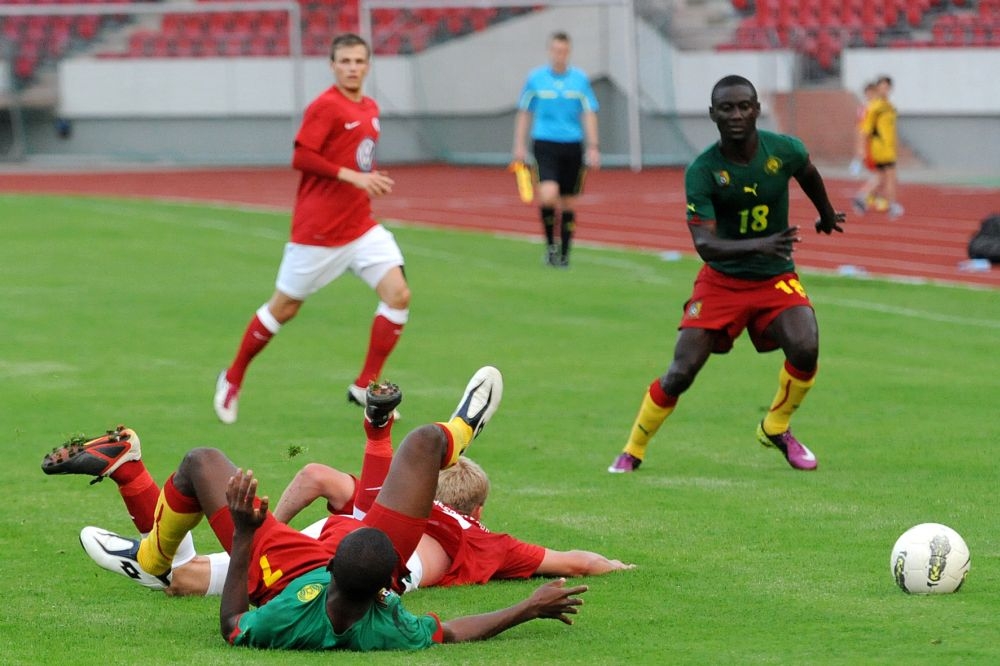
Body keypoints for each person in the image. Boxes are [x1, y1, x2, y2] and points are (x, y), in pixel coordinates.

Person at [44, 368, 591, 651]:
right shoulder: (391, 626)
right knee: (425, 442)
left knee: (199, 472)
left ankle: (139, 510)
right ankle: (451, 428)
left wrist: (250, 532)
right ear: (388, 591)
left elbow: (232, 625)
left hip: (283, 566)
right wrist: (527, 608)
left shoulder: (288, 618)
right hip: (364, 553)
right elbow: (456, 630)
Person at [607, 75, 846, 474]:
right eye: (727, 108)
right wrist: (760, 245)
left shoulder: (784, 150)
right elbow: (706, 244)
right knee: (681, 372)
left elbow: (806, 171)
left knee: (806, 346)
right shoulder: (703, 171)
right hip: (721, 281)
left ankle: (776, 426)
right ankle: (633, 449)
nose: (736, 114)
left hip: (774, 277)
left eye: (744, 106)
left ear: (756, 110)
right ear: (712, 114)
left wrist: (825, 213)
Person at [213, 32, 408, 425]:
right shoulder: (326, 106)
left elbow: (357, 157)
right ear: (332, 66)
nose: (352, 68)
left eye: (359, 61)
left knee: (398, 295)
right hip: (318, 233)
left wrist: (366, 181)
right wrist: (354, 177)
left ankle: (365, 385)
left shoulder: (370, 106)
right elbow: (301, 156)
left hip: (360, 226)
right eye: (345, 61)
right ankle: (233, 377)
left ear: (368, 66)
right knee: (284, 309)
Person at [512, 31, 600, 268]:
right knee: (548, 195)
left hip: (572, 145)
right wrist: (519, 145)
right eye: (556, 50)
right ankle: (551, 246)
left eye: (564, 51)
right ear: (550, 51)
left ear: (568, 52)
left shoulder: (580, 80)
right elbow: (524, 111)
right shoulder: (536, 79)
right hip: (545, 143)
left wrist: (593, 146)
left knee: (569, 202)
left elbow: (589, 112)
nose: (560, 55)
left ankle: (565, 254)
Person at [852, 75, 903, 219]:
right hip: (880, 148)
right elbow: (864, 130)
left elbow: (891, 129)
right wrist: (861, 149)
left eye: (887, 87)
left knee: (881, 177)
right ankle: (892, 205)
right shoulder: (874, 107)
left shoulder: (890, 107)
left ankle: (862, 197)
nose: (884, 90)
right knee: (890, 177)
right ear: (878, 88)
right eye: (882, 87)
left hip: (888, 147)